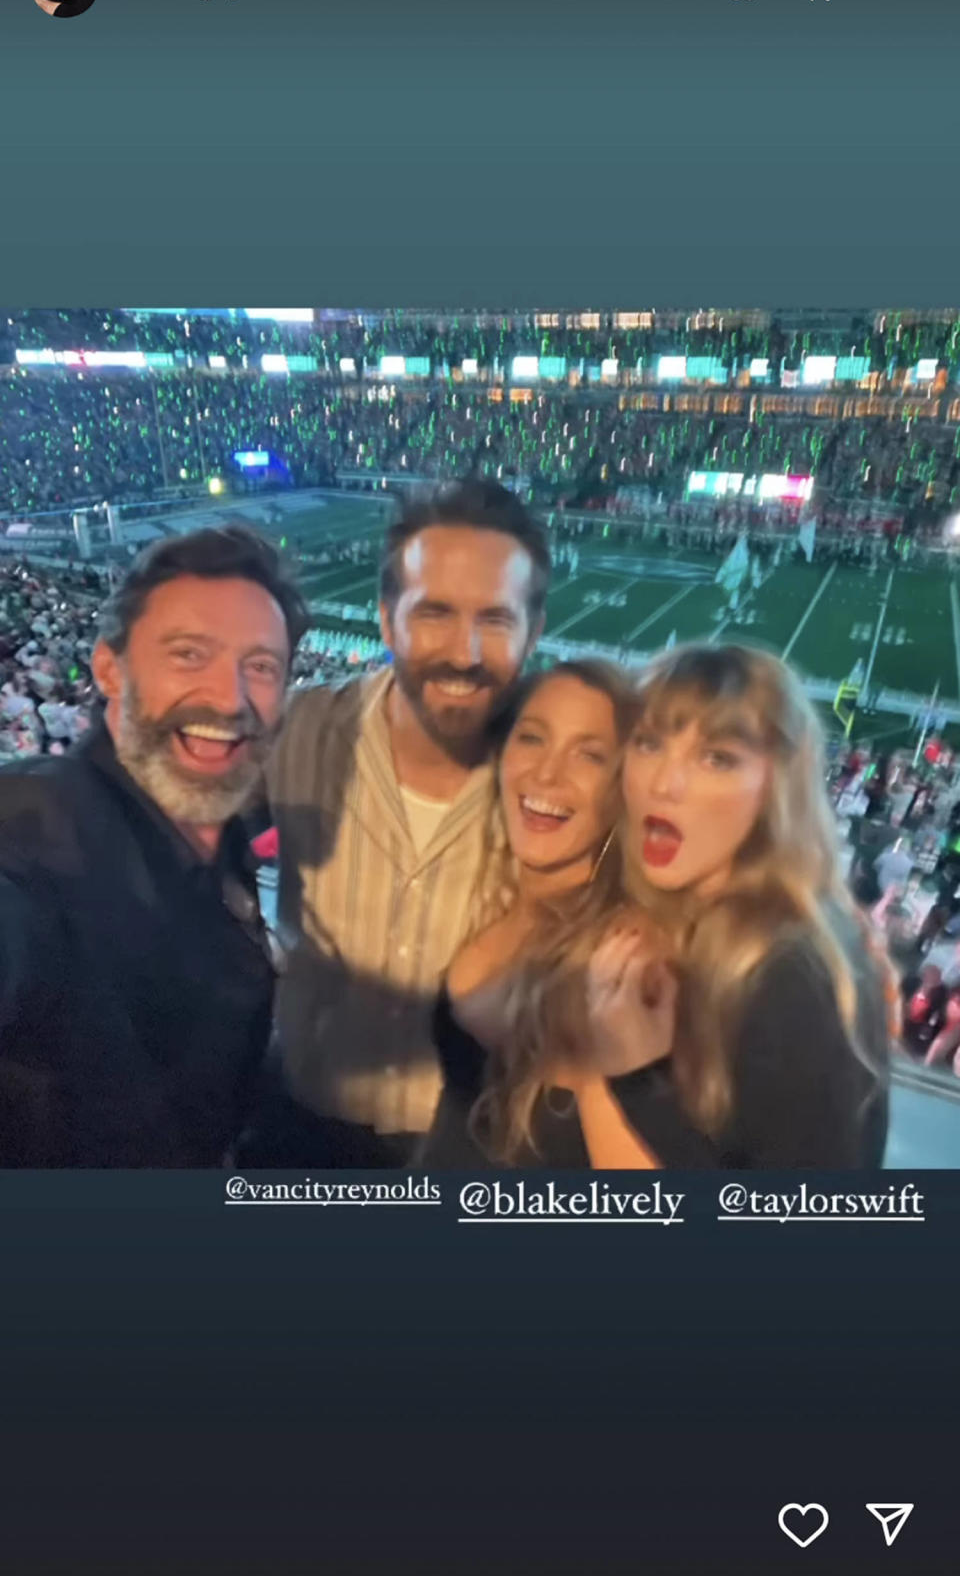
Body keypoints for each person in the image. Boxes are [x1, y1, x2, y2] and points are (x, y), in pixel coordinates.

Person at [0, 526, 308, 1166]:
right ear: (109, 667)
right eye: (189, 653)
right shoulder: (35, 842)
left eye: (260, 666)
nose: (230, 697)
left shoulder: (225, 829)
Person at [265, 479, 551, 1166]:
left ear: (534, 631)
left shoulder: (569, 783)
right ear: (387, 619)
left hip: (474, 1144)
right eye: (436, 613)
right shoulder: (299, 730)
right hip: (302, 1117)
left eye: (496, 619)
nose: (465, 651)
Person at [607, 643, 892, 1168]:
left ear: (776, 787)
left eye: (716, 758)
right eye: (647, 743)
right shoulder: (688, 921)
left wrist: (629, 1073)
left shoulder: (794, 974)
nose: (663, 784)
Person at [423, 661, 674, 1168]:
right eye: (533, 738)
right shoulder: (495, 892)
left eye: (590, 755)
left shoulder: (630, 956)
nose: (546, 773)